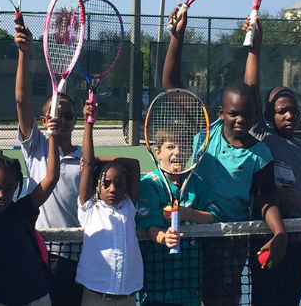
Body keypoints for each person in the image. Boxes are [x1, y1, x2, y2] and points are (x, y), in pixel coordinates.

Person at [162, 7, 287, 306]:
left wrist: (279, 231)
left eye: (247, 113)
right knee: (181, 295)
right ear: (221, 113)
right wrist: (176, 37)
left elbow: (266, 199)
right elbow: (171, 84)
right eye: (233, 113)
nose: (240, 119)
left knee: (223, 300)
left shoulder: (260, 155)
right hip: (189, 232)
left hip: (230, 239)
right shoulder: (206, 131)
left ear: (256, 114)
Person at [241, 17, 301, 305]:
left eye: (292, 110)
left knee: (289, 299)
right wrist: (255, 44)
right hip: (266, 234)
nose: (289, 115)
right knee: (264, 298)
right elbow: (251, 89)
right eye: (281, 111)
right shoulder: (263, 136)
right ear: (269, 114)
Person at [14, 17, 84, 305]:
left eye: (68, 115)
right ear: (44, 120)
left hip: (77, 253)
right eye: (57, 114)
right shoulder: (36, 146)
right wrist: (24, 53)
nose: (62, 120)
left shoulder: (84, 159)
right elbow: (21, 100)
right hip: (41, 249)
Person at [0, 116, 61, 306]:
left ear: (16, 187)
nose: (1, 195)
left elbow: (52, 178)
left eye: (8, 188)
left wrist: (52, 135)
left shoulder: (23, 210)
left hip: (37, 297)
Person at [135, 127, 213, 306]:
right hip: (157, 283)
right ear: (157, 152)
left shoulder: (197, 184)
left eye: (184, 147)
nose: (178, 151)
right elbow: (150, 228)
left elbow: (212, 216)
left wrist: (187, 213)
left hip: (190, 281)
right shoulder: (149, 184)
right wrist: (165, 238)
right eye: (170, 147)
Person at [75, 100, 142, 305]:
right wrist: (89, 122)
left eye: (119, 184)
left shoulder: (129, 207)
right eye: (107, 184)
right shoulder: (89, 209)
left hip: (127, 298)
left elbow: (134, 164)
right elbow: (86, 163)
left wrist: (101, 159)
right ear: (98, 187)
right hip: (95, 297)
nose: (113, 189)